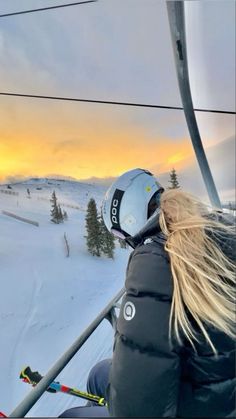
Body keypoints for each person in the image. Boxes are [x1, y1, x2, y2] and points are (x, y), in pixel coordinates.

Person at [60, 168, 235, 418]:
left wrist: (115, 396)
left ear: (130, 221)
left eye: (120, 235)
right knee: (100, 372)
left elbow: (135, 409)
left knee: (72, 414)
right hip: (219, 387)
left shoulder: (155, 258)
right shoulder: (216, 226)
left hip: (205, 405)